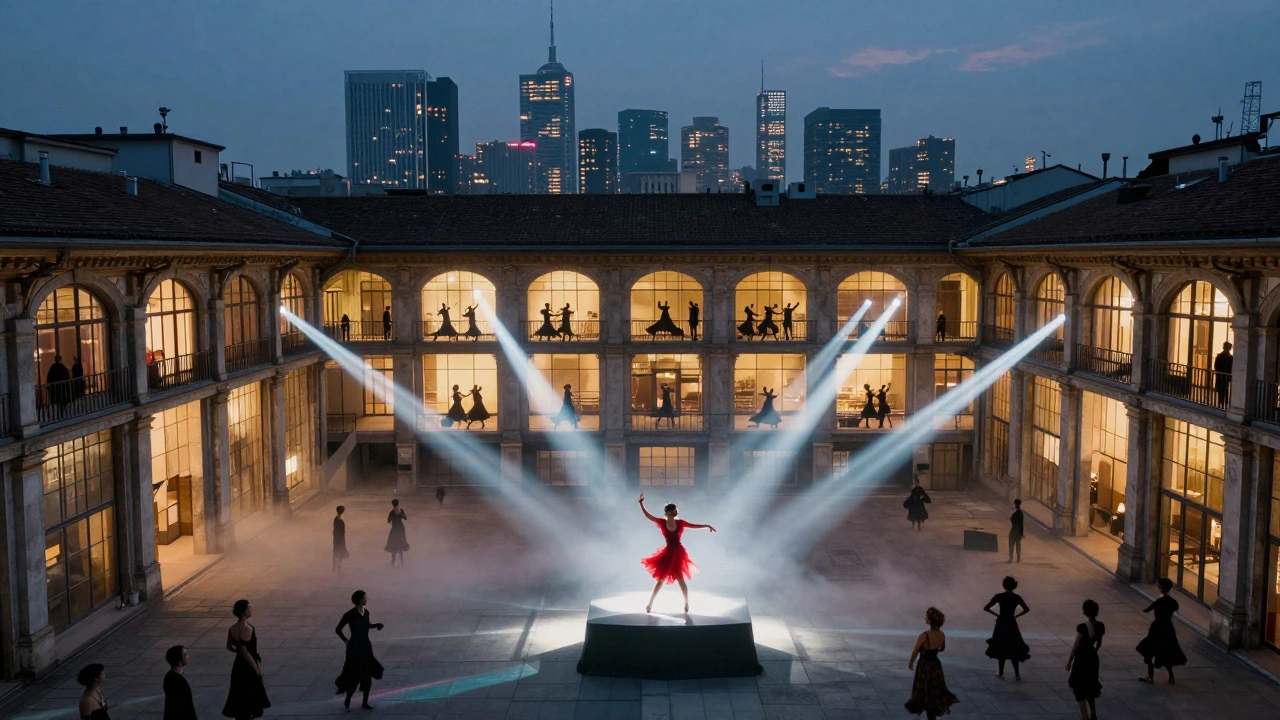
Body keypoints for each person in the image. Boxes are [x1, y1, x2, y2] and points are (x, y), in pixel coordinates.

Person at [638, 494, 715, 613]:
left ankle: (686, 603)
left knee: (680, 579)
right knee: (660, 580)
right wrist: (641, 504)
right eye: (671, 511)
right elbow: (649, 516)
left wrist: (706, 526)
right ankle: (650, 603)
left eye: (675, 511)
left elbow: (694, 525)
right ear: (667, 513)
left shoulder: (681, 523)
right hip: (668, 553)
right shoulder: (662, 522)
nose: (674, 513)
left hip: (678, 553)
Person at [905, 607, 959, 719]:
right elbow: (942, 648)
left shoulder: (924, 635)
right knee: (934, 687)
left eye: (927, 617)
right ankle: (932, 710)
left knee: (924, 686)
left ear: (931, 620)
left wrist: (911, 663)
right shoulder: (941, 634)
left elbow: (915, 650)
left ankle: (925, 708)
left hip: (924, 664)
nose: (925, 618)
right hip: (935, 664)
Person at [335, 590, 385, 710]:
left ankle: (365, 702)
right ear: (360, 600)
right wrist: (346, 641)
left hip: (366, 647)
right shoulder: (350, 614)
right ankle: (348, 700)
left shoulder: (366, 612)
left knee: (367, 675)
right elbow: (338, 629)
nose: (366, 600)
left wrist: (376, 625)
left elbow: (366, 625)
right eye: (365, 598)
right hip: (355, 649)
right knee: (355, 675)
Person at [222, 599, 270, 720]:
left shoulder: (232, 628)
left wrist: (238, 652)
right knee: (249, 692)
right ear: (243, 612)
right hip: (247, 665)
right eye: (248, 608)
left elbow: (229, 647)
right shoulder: (247, 628)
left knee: (239, 692)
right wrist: (256, 668)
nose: (250, 610)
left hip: (238, 664)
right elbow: (245, 651)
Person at [1136, 577, 1187, 684]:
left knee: (1149, 653)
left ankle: (1150, 677)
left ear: (1160, 588)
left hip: (1157, 628)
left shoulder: (1159, 601)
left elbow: (1147, 610)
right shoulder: (1173, 602)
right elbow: (1175, 608)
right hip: (1168, 628)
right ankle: (1171, 677)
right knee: (1167, 652)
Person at [984, 576, 1031, 680]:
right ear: (1014, 586)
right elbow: (1026, 609)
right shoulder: (1017, 597)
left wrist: (997, 615)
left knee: (1002, 647)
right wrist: (1016, 616)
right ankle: (1017, 674)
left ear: (1003, 585)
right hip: (1011, 623)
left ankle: (1000, 672)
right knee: (1013, 647)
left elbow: (986, 608)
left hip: (1001, 624)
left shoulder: (999, 596)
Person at [1066, 599, 1105, 720]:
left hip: (1081, 659)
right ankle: (1093, 714)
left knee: (1079, 689)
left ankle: (1085, 717)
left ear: (1085, 612)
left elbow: (1075, 647)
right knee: (1090, 686)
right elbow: (1099, 643)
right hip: (1093, 658)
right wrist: (1093, 652)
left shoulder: (1082, 627)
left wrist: (1069, 662)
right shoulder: (1101, 625)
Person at [163, 645, 197, 720]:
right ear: (179, 660)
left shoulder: (169, 676)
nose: (188, 656)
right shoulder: (180, 681)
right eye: (185, 654)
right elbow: (187, 705)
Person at [384, 499, 408, 566]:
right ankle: (401, 561)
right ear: (398, 503)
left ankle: (393, 562)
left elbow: (388, 520)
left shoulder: (391, 512)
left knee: (393, 546)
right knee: (401, 544)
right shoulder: (401, 510)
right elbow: (405, 518)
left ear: (392, 504)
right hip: (401, 529)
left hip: (394, 529)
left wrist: (392, 521)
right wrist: (401, 514)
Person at [1213, 341, 1233, 407]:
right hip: (1224, 375)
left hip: (1222, 375)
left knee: (1222, 389)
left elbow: (1216, 366)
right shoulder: (1229, 357)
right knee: (1224, 389)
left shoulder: (1220, 356)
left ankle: (1222, 401)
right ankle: (1224, 401)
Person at [332, 506, 349, 573]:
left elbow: (334, 530)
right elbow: (342, 531)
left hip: (336, 538)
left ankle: (334, 568)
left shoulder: (335, 519)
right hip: (340, 539)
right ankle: (338, 569)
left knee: (335, 552)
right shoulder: (341, 521)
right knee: (340, 554)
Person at [1009, 499, 1025, 563]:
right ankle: (1018, 558)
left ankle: (1011, 558)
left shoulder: (1015, 513)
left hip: (1013, 531)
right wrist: (1021, 533)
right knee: (1018, 546)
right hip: (1018, 532)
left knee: (1011, 545)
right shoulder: (1020, 513)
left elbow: (1012, 520)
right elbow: (1021, 525)